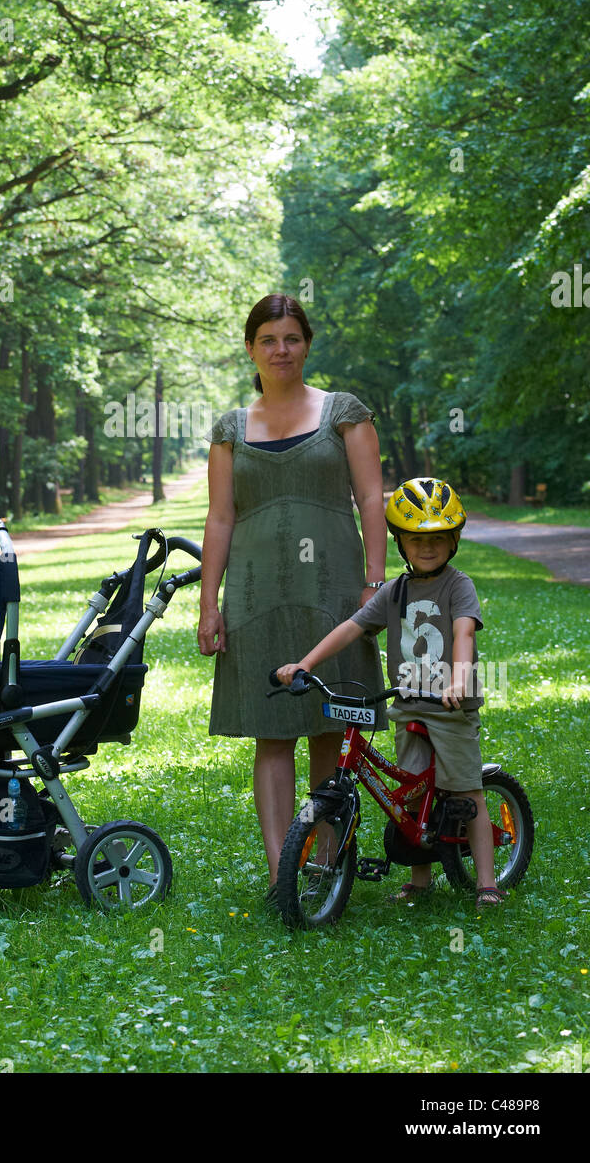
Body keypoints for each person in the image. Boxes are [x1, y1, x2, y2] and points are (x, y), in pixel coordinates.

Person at [198, 293, 386, 903]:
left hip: (331, 592)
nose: (281, 350)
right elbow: (220, 519)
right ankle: (283, 868)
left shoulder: (344, 413)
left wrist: (376, 585)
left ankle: (324, 859)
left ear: (307, 344)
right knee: (271, 731)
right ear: (251, 348)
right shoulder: (230, 430)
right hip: (253, 596)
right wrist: (209, 603)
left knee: (328, 724)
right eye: (268, 340)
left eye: (292, 339)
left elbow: (371, 501)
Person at [276, 477, 503, 909]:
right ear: (400, 542)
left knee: (465, 791)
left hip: (449, 707)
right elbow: (353, 627)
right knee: (412, 796)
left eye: (437, 538)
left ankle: (487, 883)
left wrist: (458, 679)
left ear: (454, 540)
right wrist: (306, 662)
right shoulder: (395, 591)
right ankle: (421, 879)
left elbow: (463, 634)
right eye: (416, 539)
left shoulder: (459, 586)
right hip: (408, 705)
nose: (428, 547)